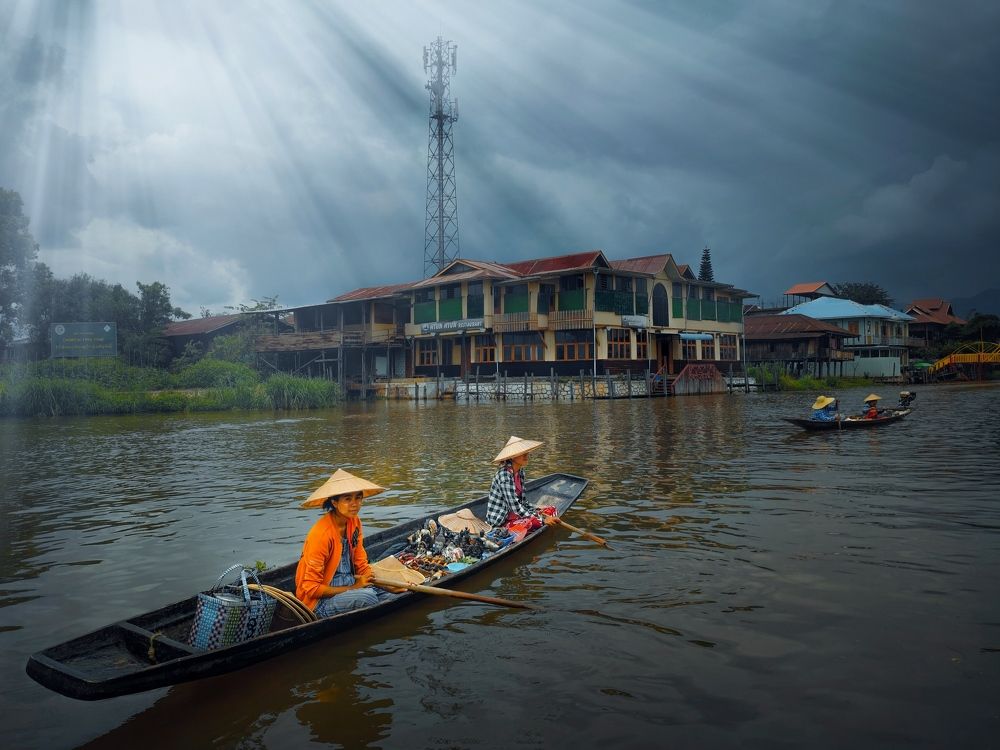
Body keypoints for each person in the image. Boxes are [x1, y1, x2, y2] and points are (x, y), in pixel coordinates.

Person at [295, 468, 399, 618]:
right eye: (348, 499)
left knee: (392, 595)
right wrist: (354, 587)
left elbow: (361, 564)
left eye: (358, 498)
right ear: (334, 502)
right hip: (319, 603)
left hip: (350, 587)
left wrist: (387, 586)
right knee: (369, 597)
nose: (355, 504)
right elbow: (311, 589)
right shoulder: (321, 534)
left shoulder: (354, 522)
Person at [486, 435, 558, 528]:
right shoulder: (504, 475)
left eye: (526, 452)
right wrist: (542, 519)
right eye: (522, 453)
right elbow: (515, 507)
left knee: (552, 509)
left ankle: (538, 521)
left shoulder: (520, 472)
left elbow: (522, 502)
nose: (526, 455)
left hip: (517, 514)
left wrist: (536, 511)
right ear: (512, 456)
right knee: (536, 522)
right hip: (502, 519)